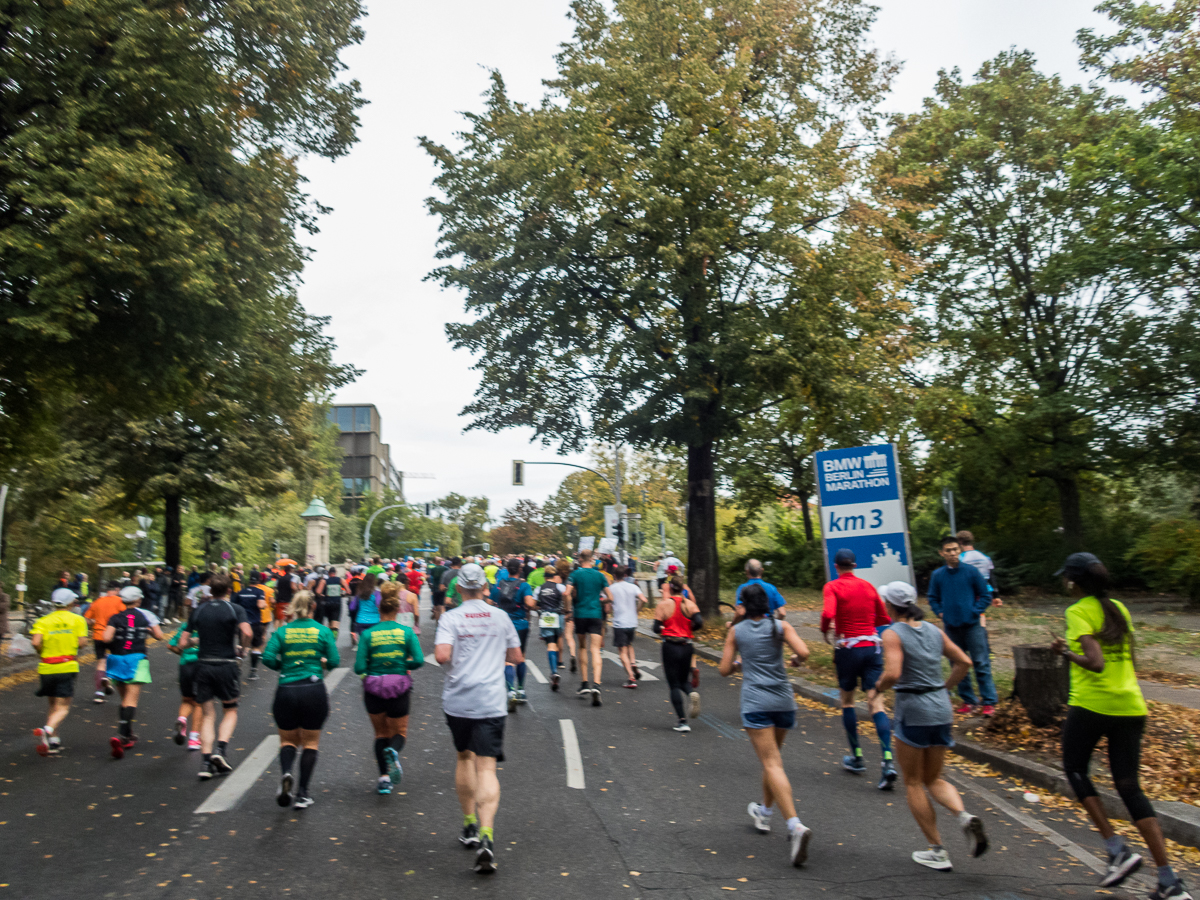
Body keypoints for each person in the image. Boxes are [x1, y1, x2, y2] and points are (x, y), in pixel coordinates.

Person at [1050, 553, 1193, 900]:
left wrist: (1065, 653)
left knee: (1075, 769)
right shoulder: (1119, 608)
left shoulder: (1077, 611)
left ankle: (1117, 849)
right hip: (1131, 705)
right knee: (1130, 788)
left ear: (1074, 581)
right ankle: (1169, 879)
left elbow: (1096, 663)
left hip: (1093, 705)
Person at [877, 580, 988, 872]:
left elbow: (893, 673)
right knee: (935, 778)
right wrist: (943, 688)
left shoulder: (891, 633)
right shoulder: (934, 631)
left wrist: (877, 689)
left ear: (890, 605)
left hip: (913, 711)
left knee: (913, 781)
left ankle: (937, 850)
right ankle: (964, 817)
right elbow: (964, 661)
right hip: (941, 709)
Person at [434, 563, 523, 874]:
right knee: (487, 766)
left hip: (459, 699)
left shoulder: (450, 617)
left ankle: (469, 824)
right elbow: (517, 658)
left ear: (458, 588)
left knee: (463, 756)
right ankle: (487, 834)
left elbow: (442, 655)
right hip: (490, 700)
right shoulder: (500, 616)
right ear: (485, 587)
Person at [718, 584, 812, 865]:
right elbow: (804, 653)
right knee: (774, 762)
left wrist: (738, 664)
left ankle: (795, 825)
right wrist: (794, 660)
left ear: (744, 607)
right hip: (783, 701)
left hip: (756, 703)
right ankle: (764, 813)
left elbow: (723, 670)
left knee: (772, 764)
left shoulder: (737, 631)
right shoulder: (780, 626)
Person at [820, 548, 896, 787]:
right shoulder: (868, 586)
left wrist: (825, 631)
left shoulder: (832, 586)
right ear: (854, 565)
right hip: (872, 647)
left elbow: (828, 613)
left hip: (848, 648)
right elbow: (884, 618)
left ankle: (857, 757)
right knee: (876, 702)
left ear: (836, 566)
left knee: (848, 701)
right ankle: (887, 760)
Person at [261, 591, 339, 809]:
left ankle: (287, 772)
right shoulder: (323, 631)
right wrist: (322, 664)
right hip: (313, 689)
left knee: (287, 741)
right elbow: (334, 660)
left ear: (293, 608)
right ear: (313, 607)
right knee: (311, 742)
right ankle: (303, 793)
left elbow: (267, 658)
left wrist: (283, 667)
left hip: (286, 689)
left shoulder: (282, 632)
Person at [355, 581, 424, 795]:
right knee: (399, 732)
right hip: (399, 687)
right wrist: (403, 665)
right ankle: (393, 751)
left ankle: (384, 779)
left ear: (379, 608)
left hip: (373, 689)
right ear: (396, 609)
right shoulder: (406, 632)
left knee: (380, 733)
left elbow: (359, 667)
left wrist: (373, 669)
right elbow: (419, 660)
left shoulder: (368, 635)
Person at [180, 574, 252, 780]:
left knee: (207, 715)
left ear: (210, 591)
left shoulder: (198, 610)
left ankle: (205, 762)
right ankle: (220, 751)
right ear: (229, 590)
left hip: (203, 666)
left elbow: (183, 642)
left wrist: (196, 641)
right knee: (230, 710)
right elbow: (247, 633)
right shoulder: (235, 609)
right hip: (226, 665)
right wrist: (243, 650)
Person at [927, 535, 998, 716]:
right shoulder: (938, 575)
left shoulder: (971, 572)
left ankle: (989, 702)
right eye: (948, 550)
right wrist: (940, 612)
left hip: (973, 625)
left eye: (955, 550)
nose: (952, 553)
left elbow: (985, 595)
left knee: (981, 662)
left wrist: (975, 611)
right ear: (942, 553)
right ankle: (968, 700)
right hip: (951, 627)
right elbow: (933, 597)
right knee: (958, 664)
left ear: (960, 550)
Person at [101, 586, 165, 759]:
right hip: (137, 659)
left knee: (124, 700)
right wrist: (147, 630)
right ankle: (121, 735)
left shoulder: (115, 617)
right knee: (131, 700)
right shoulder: (146, 615)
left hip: (117, 659)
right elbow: (159, 636)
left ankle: (128, 735)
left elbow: (106, 638)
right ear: (139, 600)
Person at [30, 588, 89, 756]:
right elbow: (82, 643)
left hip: (46, 667)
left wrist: (42, 651)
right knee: (63, 707)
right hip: (67, 666)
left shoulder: (43, 620)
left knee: (52, 704)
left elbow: (35, 642)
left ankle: (53, 741)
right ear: (71, 602)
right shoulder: (78, 620)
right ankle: (47, 730)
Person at [653, 573, 703, 732]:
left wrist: (663, 628)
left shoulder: (663, 605)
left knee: (673, 684)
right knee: (683, 681)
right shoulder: (690, 605)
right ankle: (691, 693)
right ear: (683, 588)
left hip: (670, 647)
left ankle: (682, 721)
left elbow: (655, 628)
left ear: (670, 588)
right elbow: (699, 622)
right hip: (686, 646)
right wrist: (689, 629)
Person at [565, 549, 611, 705]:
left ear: (579, 559)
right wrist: (600, 603)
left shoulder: (575, 575)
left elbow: (566, 594)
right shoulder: (600, 575)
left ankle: (584, 683)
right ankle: (596, 685)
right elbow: (610, 597)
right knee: (595, 650)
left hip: (580, 614)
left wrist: (568, 609)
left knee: (582, 647)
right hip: (596, 614)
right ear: (592, 559)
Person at [492, 558, 535, 709]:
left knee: (506, 659)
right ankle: (521, 690)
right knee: (520, 657)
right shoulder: (524, 586)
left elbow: (491, 602)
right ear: (519, 570)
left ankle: (510, 691)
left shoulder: (498, 585)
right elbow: (529, 603)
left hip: (502, 624)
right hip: (520, 625)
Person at [168, 601, 203, 751]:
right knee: (199, 703)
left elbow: (171, 645)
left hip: (185, 666)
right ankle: (194, 738)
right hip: (201, 666)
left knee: (187, 699)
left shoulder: (185, 627)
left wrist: (182, 653)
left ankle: (182, 720)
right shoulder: (209, 626)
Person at [84, 582, 125, 704]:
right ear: (117, 590)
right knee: (115, 659)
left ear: (107, 590)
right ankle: (108, 678)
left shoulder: (97, 601)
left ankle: (99, 693)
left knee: (101, 662)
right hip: (114, 634)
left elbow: (86, 618)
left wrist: (94, 623)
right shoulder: (120, 601)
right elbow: (125, 617)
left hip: (98, 635)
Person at [609, 567, 647, 688]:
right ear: (625, 575)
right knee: (629, 644)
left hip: (620, 622)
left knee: (622, 652)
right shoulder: (633, 586)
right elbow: (644, 599)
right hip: (632, 622)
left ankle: (631, 678)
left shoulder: (612, 588)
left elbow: (608, 604)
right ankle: (633, 663)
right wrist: (637, 610)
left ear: (614, 576)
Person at [534, 563, 568, 692]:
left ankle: (554, 671)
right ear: (554, 576)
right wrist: (566, 608)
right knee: (558, 638)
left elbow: (534, 603)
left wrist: (539, 609)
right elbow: (566, 595)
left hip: (546, 615)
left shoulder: (539, 588)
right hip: (558, 615)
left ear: (544, 577)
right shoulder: (559, 587)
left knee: (550, 644)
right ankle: (560, 661)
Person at [233, 576, 269, 680]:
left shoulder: (241, 592)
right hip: (255, 622)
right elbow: (261, 605)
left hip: (242, 624)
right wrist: (264, 605)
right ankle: (253, 672)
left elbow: (235, 606)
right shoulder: (259, 592)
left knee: (241, 645)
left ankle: (238, 667)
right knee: (256, 647)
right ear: (257, 581)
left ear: (249, 581)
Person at [350, 573, 380, 648]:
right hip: (375, 621)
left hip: (361, 621)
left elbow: (352, 607)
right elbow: (379, 605)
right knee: (373, 644)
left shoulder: (359, 593)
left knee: (364, 644)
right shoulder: (376, 593)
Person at [314, 566, 346, 637]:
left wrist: (322, 595)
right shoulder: (340, 580)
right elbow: (349, 591)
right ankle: (333, 638)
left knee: (329, 622)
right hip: (337, 603)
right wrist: (342, 594)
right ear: (336, 573)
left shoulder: (324, 581)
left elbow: (318, 592)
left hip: (327, 603)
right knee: (335, 623)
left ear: (328, 573)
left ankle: (328, 638)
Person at [428, 558, 449, 624]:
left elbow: (429, 578)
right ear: (441, 562)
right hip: (443, 589)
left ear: (435, 562)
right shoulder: (445, 568)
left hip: (435, 589)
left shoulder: (433, 569)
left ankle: (437, 622)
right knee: (443, 607)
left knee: (437, 608)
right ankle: (443, 622)